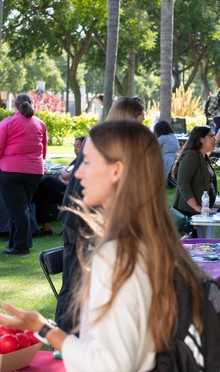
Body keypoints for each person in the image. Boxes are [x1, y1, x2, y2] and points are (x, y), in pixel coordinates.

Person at [0, 120, 207, 372]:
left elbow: (107, 369)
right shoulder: (151, 239)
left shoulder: (117, 254)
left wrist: (41, 327)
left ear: (116, 170)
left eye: (87, 162)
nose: (77, 174)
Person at [55, 97, 146, 336]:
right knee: (75, 284)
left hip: (90, 220)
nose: (143, 125)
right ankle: (65, 340)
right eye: (140, 119)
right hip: (82, 221)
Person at [0, 94, 47, 255]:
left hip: (11, 171)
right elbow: (44, 151)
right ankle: (16, 243)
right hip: (35, 171)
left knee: (18, 209)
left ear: (15, 106)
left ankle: (21, 246)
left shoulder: (7, 123)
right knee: (22, 207)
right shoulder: (40, 124)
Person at [32, 136, 86, 236]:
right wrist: (62, 173)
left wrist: (60, 170)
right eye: (74, 147)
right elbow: (65, 175)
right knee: (42, 195)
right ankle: (46, 227)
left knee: (46, 179)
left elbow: (65, 175)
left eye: (78, 146)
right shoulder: (76, 160)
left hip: (75, 192)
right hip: (66, 188)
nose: (75, 149)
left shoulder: (84, 161)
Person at [172, 126, 218, 238]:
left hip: (200, 213)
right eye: (211, 136)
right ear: (201, 139)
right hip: (187, 213)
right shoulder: (191, 155)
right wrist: (196, 207)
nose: (214, 139)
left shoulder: (203, 156)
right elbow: (183, 182)